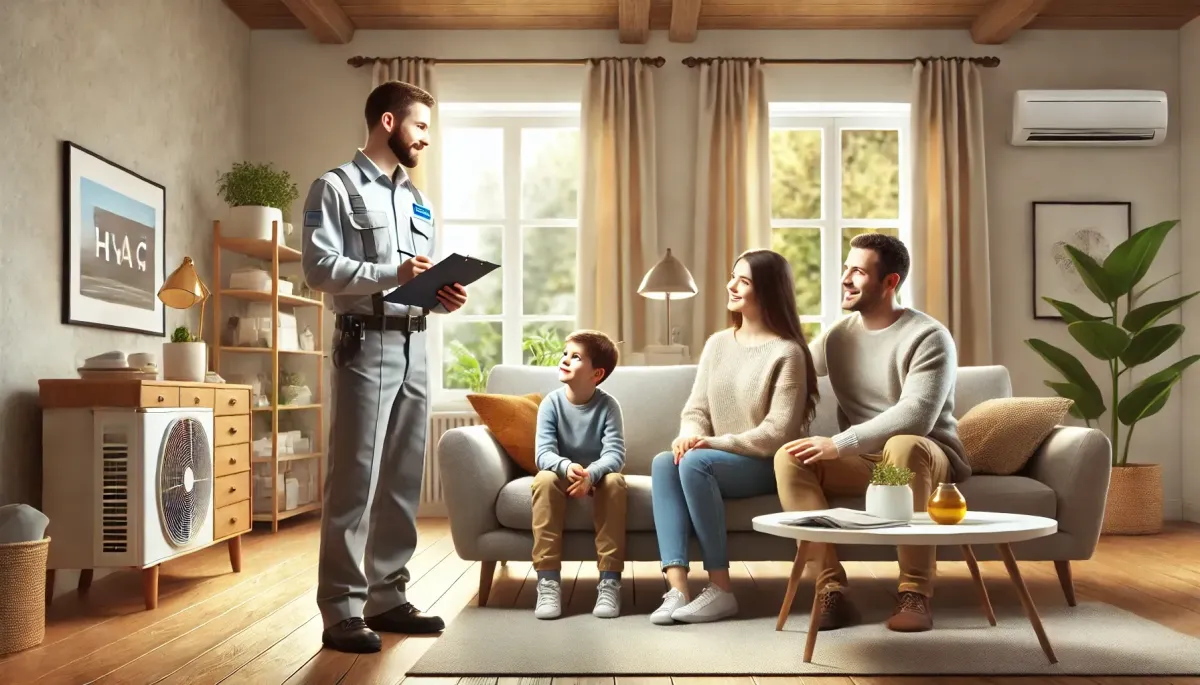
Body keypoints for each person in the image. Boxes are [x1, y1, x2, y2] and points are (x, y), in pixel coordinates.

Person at [301, 80, 469, 654]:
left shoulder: (417, 199)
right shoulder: (335, 187)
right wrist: (393, 274)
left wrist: (438, 292)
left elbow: (414, 279)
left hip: (413, 342)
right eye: (421, 127)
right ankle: (342, 608)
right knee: (355, 477)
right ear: (390, 122)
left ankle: (387, 597)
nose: (427, 139)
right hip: (363, 343)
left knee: (400, 477)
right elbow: (319, 269)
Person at [774, 232, 970, 634]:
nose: (846, 278)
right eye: (846, 269)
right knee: (790, 457)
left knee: (902, 444)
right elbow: (792, 374)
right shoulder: (837, 336)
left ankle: (915, 591)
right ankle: (831, 590)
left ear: (890, 282)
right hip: (867, 462)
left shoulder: (929, 336)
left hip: (926, 457)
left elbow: (916, 415)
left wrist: (839, 443)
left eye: (858, 271)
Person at [649, 249, 819, 625]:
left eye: (744, 280)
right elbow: (696, 411)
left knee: (695, 460)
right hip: (714, 459)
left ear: (768, 290)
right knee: (665, 462)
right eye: (732, 276)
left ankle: (722, 590)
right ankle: (677, 589)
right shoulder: (718, 344)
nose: (731, 285)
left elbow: (777, 433)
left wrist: (710, 444)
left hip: (764, 463)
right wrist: (690, 436)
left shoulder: (787, 352)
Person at [531, 330, 627, 620]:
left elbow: (615, 455)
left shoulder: (609, 406)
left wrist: (592, 474)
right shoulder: (551, 403)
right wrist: (565, 466)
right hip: (562, 473)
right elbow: (543, 453)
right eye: (565, 354)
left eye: (576, 357)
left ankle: (609, 581)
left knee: (615, 481)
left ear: (596, 373)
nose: (565, 360)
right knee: (544, 479)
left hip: (595, 476)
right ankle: (547, 582)